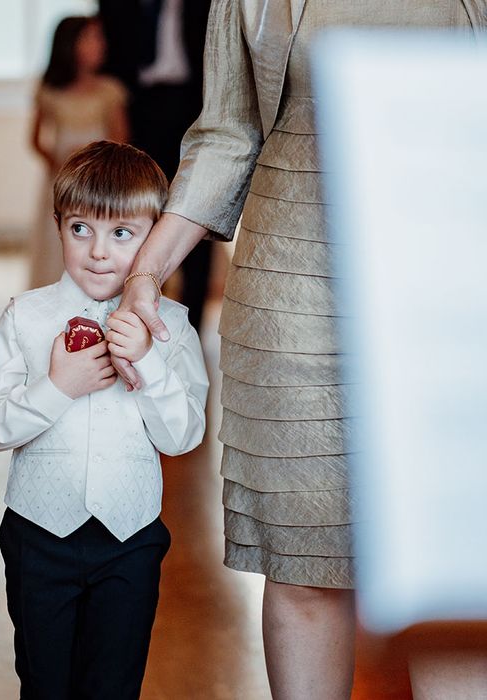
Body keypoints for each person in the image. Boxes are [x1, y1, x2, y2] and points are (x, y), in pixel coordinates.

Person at [109, 1, 486, 698]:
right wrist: (145, 274)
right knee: (307, 571)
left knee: (459, 585)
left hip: (453, 290)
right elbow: (227, 135)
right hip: (294, 294)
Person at [0, 141, 208, 699]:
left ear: (155, 239)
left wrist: (147, 361)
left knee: (114, 686)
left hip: (132, 541)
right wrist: (57, 388)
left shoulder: (172, 328)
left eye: (122, 233)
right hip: (37, 537)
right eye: (81, 229)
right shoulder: (24, 317)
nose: (99, 252)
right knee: (45, 683)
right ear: (58, 226)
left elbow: (182, 437)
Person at [99, 0, 214, 331]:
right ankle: (124, 318)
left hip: (194, 114)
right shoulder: (123, 7)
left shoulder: (206, 7)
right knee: (132, 213)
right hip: (138, 116)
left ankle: (191, 325)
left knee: (195, 214)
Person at [28, 16, 129, 289]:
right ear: (69, 45)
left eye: (100, 38)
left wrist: (95, 164)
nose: (100, 45)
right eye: (91, 38)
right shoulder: (49, 90)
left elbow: (121, 139)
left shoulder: (110, 91)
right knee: (56, 241)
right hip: (60, 182)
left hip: (99, 183)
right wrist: (57, 163)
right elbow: (35, 139)